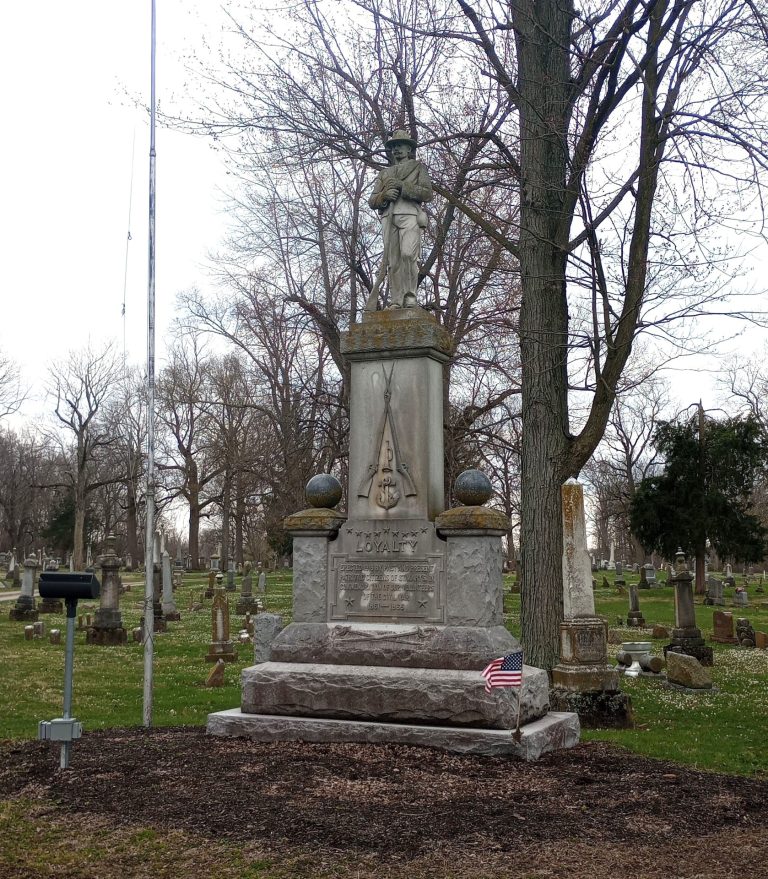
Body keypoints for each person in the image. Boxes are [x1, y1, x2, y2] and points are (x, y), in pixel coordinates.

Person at [367, 130, 433, 309]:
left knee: (408, 255)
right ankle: (396, 300)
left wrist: (403, 186)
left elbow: (427, 193)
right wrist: (384, 195)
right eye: (393, 146)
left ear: (409, 148)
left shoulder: (418, 168)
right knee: (393, 262)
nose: (396, 149)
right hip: (388, 218)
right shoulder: (385, 173)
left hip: (410, 215)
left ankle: (410, 296)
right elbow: (372, 201)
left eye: (400, 145)